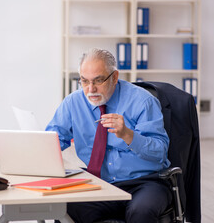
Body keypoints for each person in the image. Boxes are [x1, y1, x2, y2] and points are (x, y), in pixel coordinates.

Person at [46, 48, 172, 223]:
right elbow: (54, 139)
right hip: (99, 183)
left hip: (144, 182)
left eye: (98, 80)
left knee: (141, 212)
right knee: (62, 207)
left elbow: (159, 153)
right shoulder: (73, 102)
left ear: (114, 77)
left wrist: (128, 135)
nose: (91, 89)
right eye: (84, 81)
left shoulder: (142, 101)